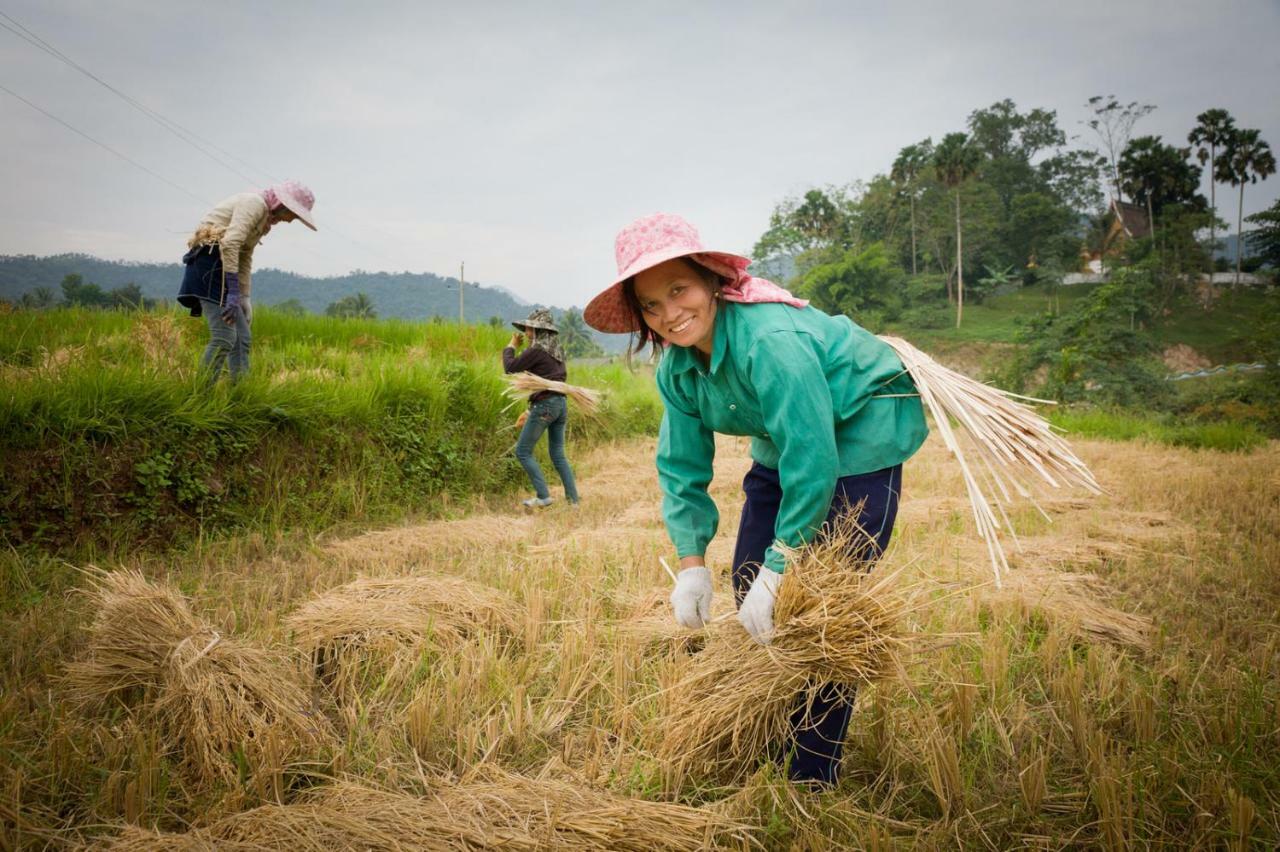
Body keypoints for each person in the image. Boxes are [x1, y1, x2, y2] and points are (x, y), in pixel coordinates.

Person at [583, 212, 929, 786]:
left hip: (863, 426)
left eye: (679, 290)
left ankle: (811, 775)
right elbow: (681, 466)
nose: (670, 314)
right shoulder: (678, 369)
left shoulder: (769, 340)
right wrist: (690, 565)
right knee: (751, 583)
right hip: (786, 437)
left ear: (713, 283)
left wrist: (784, 561)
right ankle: (767, 735)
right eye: (651, 305)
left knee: (818, 611)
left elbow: (812, 457)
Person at [177, 180, 317, 383]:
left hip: (226, 269)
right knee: (224, 337)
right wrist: (233, 291)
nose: (291, 220)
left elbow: (245, 255)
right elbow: (230, 244)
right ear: (282, 205)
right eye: (293, 214)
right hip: (209, 265)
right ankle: (199, 397)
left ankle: (240, 396)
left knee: (242, 338)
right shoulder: (255, 204)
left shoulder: (264, 219)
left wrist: (244, 296)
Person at [502, 308, 581, 508]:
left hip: (545, 405)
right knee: (558, 454)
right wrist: (530, 410)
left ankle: (543, 496)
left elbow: (510, 367)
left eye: (529, 328)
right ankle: (573, 501)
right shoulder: (558, 351)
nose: (527, 332)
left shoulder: (537, 350)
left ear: (538, 330)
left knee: (522, 451)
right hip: (560, 405)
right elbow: (553, 380)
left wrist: (511, 346)